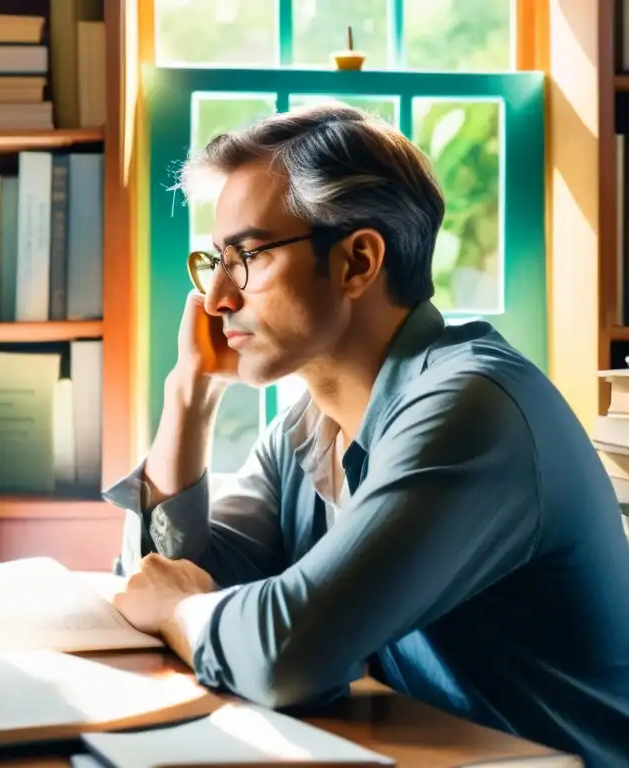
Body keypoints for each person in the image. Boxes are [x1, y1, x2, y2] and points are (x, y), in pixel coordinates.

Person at [105, 105, 629, 766]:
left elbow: (285, 654)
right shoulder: (307, 424)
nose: (216, 299)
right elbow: (154, 580)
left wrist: (183, 611)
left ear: (357, 261)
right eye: (216, 261)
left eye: (249, 257)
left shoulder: (472, 409)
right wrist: (188, 394)